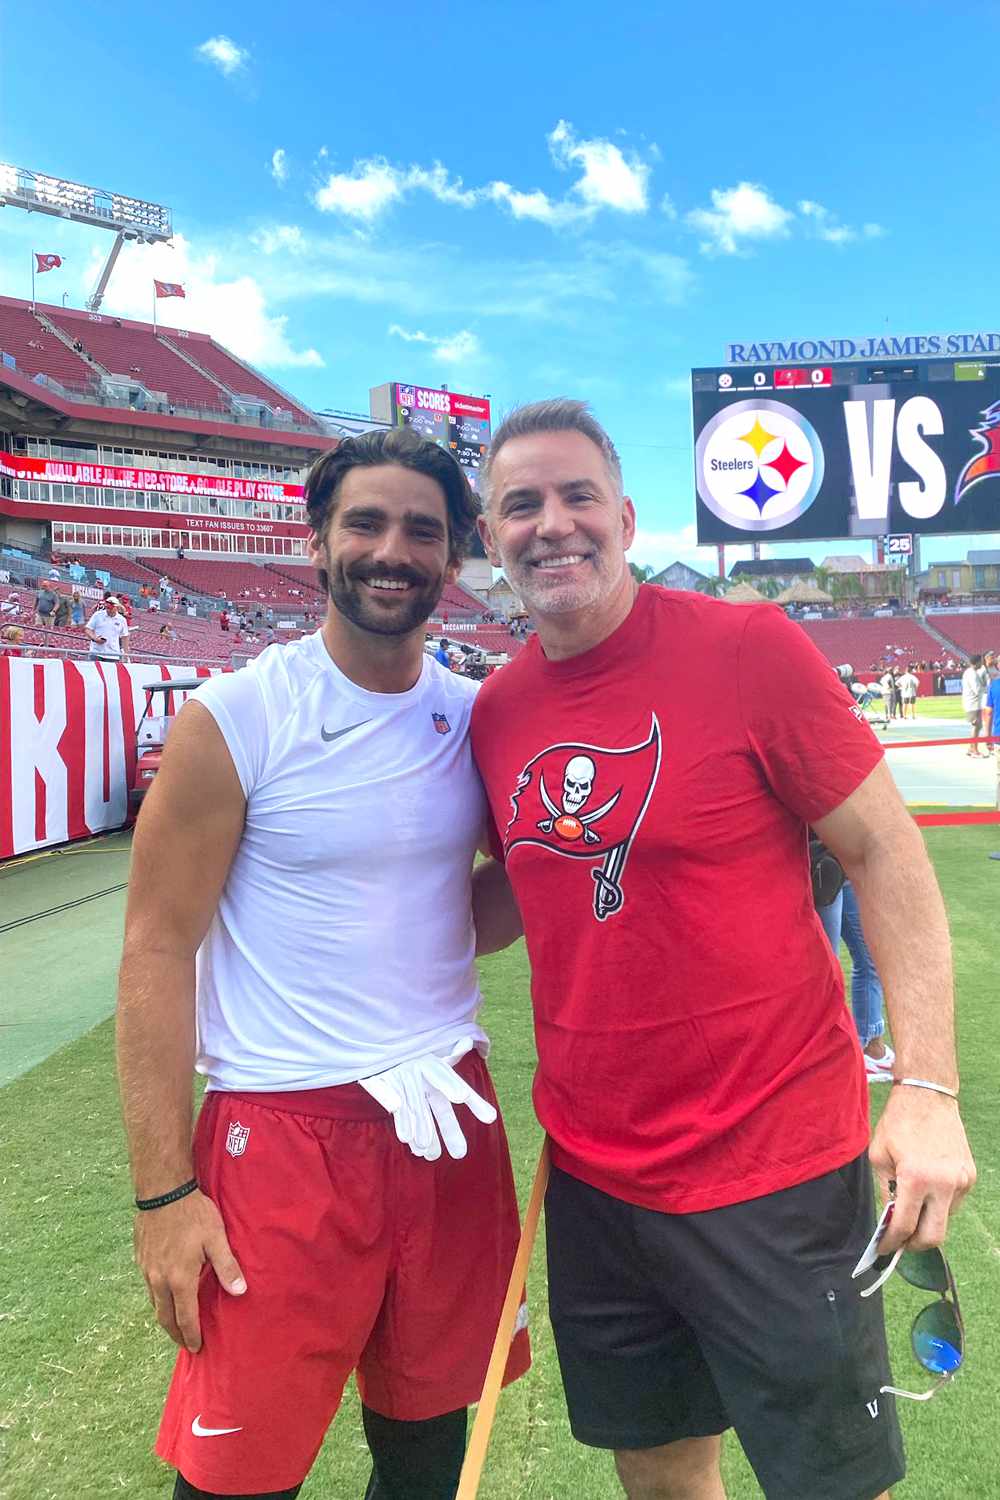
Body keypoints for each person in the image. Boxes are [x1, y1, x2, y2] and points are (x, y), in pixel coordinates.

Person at [470, 399, 975, 1500]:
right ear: (489, 535)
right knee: (656, 1470)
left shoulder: (747, 649)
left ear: (625, 515)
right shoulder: (497, 711)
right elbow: (508, 887)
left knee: (830, 1482)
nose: (551, 524)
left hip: (776, 1167)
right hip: (598, 1179)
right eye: (520, 504)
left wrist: (926, 1087)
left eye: (576, 497)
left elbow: (886, 855)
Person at [117, 427, 529, 1500]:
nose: (392, 550)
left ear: (455, 560)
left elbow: (459, 915)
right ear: (317, 543)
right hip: (283, 1139)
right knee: (240, 1477)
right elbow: (159, 949)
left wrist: (565, 864)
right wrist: (164, 1196)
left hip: (448, 1120)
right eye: (367, 523)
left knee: (431, 1455)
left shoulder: (471, 717)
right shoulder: (237, 718)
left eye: (422, 531)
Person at [84, 595, 130, 661]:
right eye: (107, 608)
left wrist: (126, 654)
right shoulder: (98, 615)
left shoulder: (121, 620)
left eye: (111, 608)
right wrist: (95, 638)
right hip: (96, 652)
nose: (108, 610)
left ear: (116, 608)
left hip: (113, 654)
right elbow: (88, 629)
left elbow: (125, 637)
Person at [961, 654, 989, 757]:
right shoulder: (972, 673)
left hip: (972, 703)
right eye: (980, 662)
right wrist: (987, 689)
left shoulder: (969, 672)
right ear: (976, 662)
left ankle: (971, 748)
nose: (981, 663)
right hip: (973, 703)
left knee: (977, 726)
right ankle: (974, 750)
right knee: (976, 727)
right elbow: (977, 690)